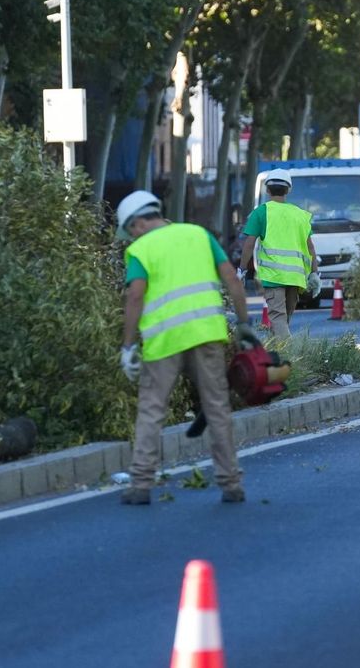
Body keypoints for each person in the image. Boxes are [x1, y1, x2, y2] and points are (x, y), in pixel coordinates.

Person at [115, 190, 255, 505]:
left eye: (129, 231)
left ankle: (140, 485)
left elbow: (135, 296)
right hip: (206, 335)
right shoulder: (199, 235)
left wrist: (127, 346)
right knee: (217, 407)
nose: (130, 238)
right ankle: (231, 483)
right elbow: (232, 278)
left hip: (164, 341)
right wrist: (244, 324)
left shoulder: (140, 250)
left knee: (152, 410)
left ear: (137, 223)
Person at [241, 169, 319, 339]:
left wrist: (242, 270)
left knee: (277, 318)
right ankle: (278, 353)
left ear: (267, 190)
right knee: (283, 319)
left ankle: (289, 356)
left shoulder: (261, 212)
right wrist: (314, 273)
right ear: (288, 190)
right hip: (296, 277)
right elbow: (310, 247)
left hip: (274, 276)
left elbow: (248, 244)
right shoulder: (300, 215)